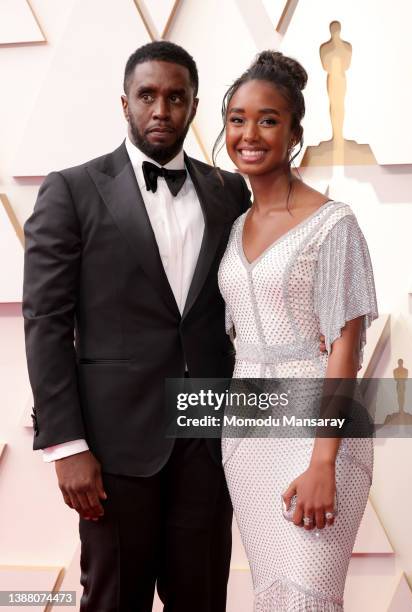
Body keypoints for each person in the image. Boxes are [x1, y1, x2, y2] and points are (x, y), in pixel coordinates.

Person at [22, 41, 253, 612]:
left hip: (207, 445)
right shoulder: (72, 190)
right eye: (147, 95)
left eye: (176, 98)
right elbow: (46, 321)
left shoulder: (229, 192)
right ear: (123, 101)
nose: (161, 110)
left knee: (202, 600)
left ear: (194, 106)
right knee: (113, 600)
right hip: (111, 449)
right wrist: (66, 445)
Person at [216, 51, 378, 611]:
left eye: (268, 119)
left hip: (317, 438)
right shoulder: (236, 226)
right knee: (272, 596)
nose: (249, 133)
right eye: (237, 119)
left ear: (294, 133)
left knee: (308, 599)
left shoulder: (335, 225)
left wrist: (322, 462)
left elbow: (345, 352)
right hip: (245, 441)